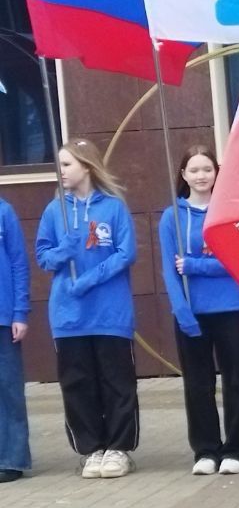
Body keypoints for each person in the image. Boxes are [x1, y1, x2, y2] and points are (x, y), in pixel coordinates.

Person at [34, 137, 139, 479]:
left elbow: (126, 253)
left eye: (66, 164)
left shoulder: (113, 207)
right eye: (59, 164)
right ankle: (90, 447)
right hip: (69, 315)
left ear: (86, 166)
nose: (60, 171)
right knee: (77, 382)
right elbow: (43, 255)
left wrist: (91, 278)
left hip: (110, 312)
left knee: (116, 381)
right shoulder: (55, 211)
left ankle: (119, 447)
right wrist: (62, 253)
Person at [158, 145, 239, 475]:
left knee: (236, 382)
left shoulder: (230, 212)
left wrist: (198, 266)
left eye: (207, 169)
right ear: (184, 175)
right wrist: (181, 310)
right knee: (198, 384)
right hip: (192, 311)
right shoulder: (172, 215)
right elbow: (169, 270)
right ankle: (206, 450)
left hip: (231, 308)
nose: (201, 176)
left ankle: (237, 450)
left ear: (217, 173)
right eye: (194, 170)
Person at [0, 195, 31, 483]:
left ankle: (12, 458)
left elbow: (19, 264)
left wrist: (20, 312)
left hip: (3, 316)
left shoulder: (4, 212)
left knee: (9, 390)